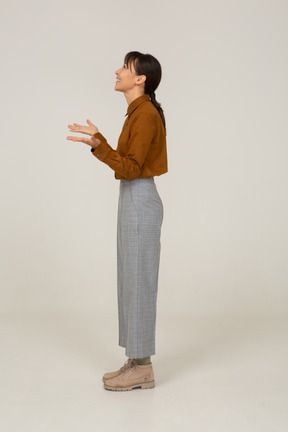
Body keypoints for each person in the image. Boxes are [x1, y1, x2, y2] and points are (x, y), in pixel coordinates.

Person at [67, 51, 168, 391]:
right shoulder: (138, 112)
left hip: (139, 196)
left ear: (140, 79)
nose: (117, 71)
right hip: (133, 196)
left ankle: (143, 368)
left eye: (124, 68)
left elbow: (131, 168)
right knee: (130, 281)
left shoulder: (145, 114)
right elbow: (129, 165)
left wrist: (99, 146)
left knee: (138, 282)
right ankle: (137, 362)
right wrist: (101, 143)